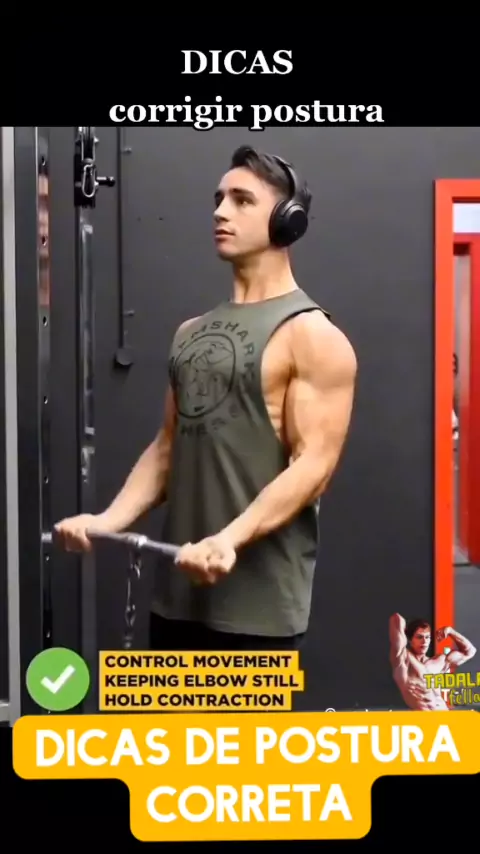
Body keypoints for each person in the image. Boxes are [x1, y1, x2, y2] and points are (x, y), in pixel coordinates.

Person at [55, 145, 357, 652]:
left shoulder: (311, 335)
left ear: (288, 221)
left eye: (242, 200)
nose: (220, 211)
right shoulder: (190, 332)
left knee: (236, 714)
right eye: (219, 199)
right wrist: (106, 521)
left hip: (257, 612)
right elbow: (167, 449)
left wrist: (228, 539)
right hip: (176, 597)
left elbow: (314, 466)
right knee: (171, 711)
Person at [389, 613, 476, 710]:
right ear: (410, 640)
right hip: (424, 717)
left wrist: (450, 631)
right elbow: (396, 619)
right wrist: (404, 630)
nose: (424, 641)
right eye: (419, 637)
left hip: (444, 715)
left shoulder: (439, 662)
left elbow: (470, 651)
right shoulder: (403, 662)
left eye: (427, 637)